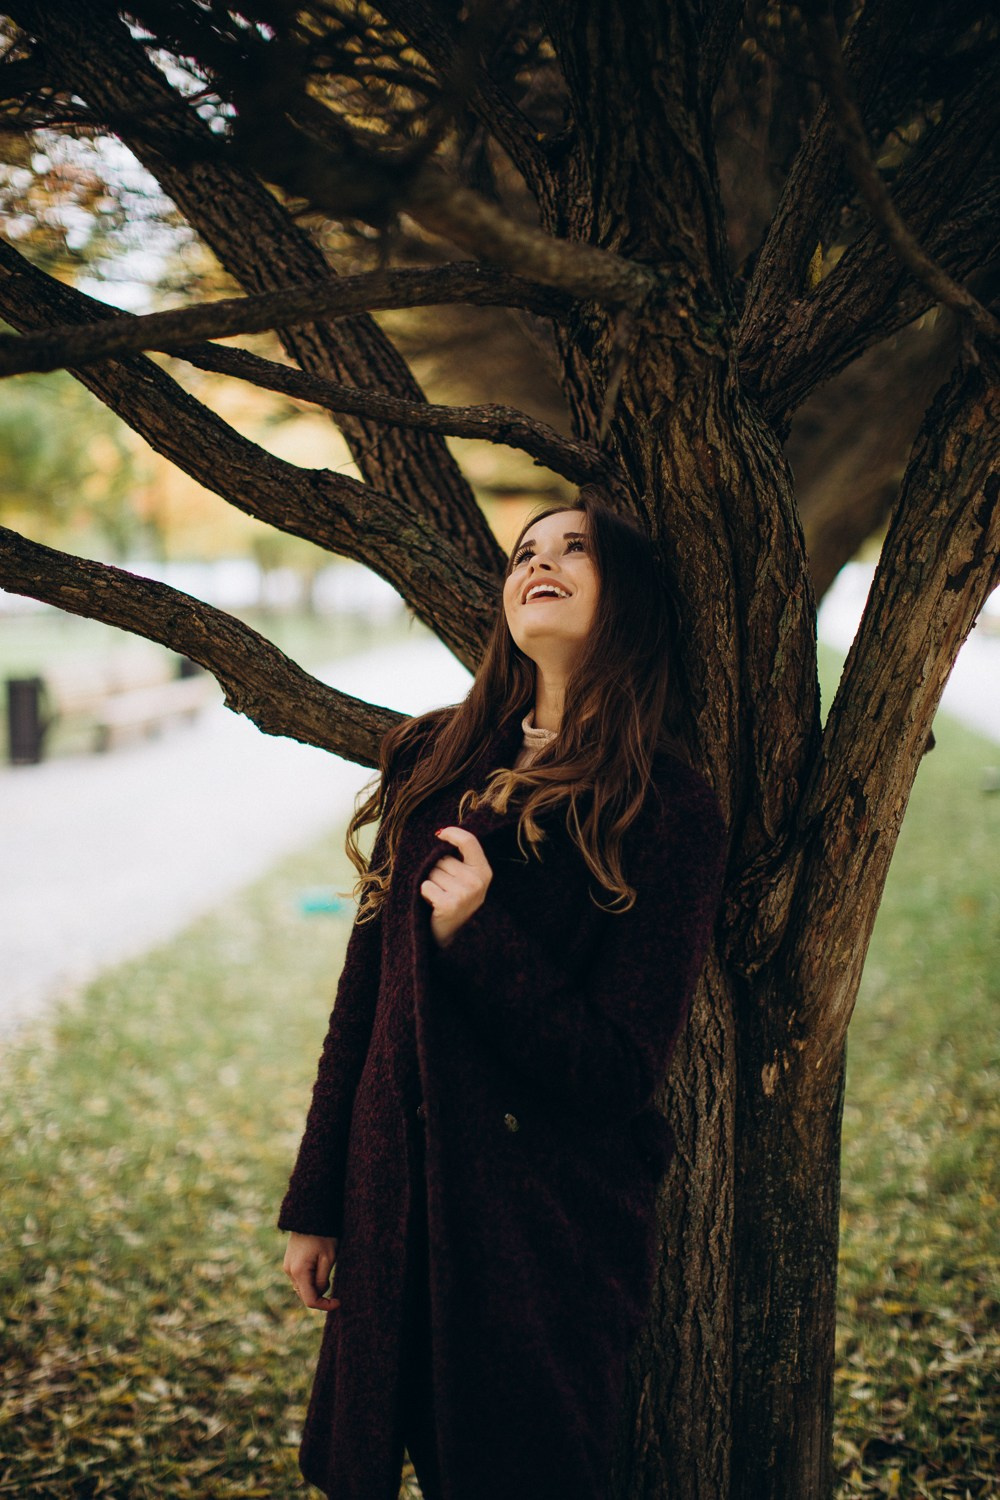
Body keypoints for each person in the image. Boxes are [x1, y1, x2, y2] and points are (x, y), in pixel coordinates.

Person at [278, 488, 728, 1500]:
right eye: (523, 552)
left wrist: (478, 934)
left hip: (541, 1229)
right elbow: (365, 1002)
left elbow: (616, 1074)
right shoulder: (434, 765)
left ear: (632, 598)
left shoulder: (666, 806)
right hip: (399, 1196)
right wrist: (319, 1203)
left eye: (575, 549)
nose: (538, 563)